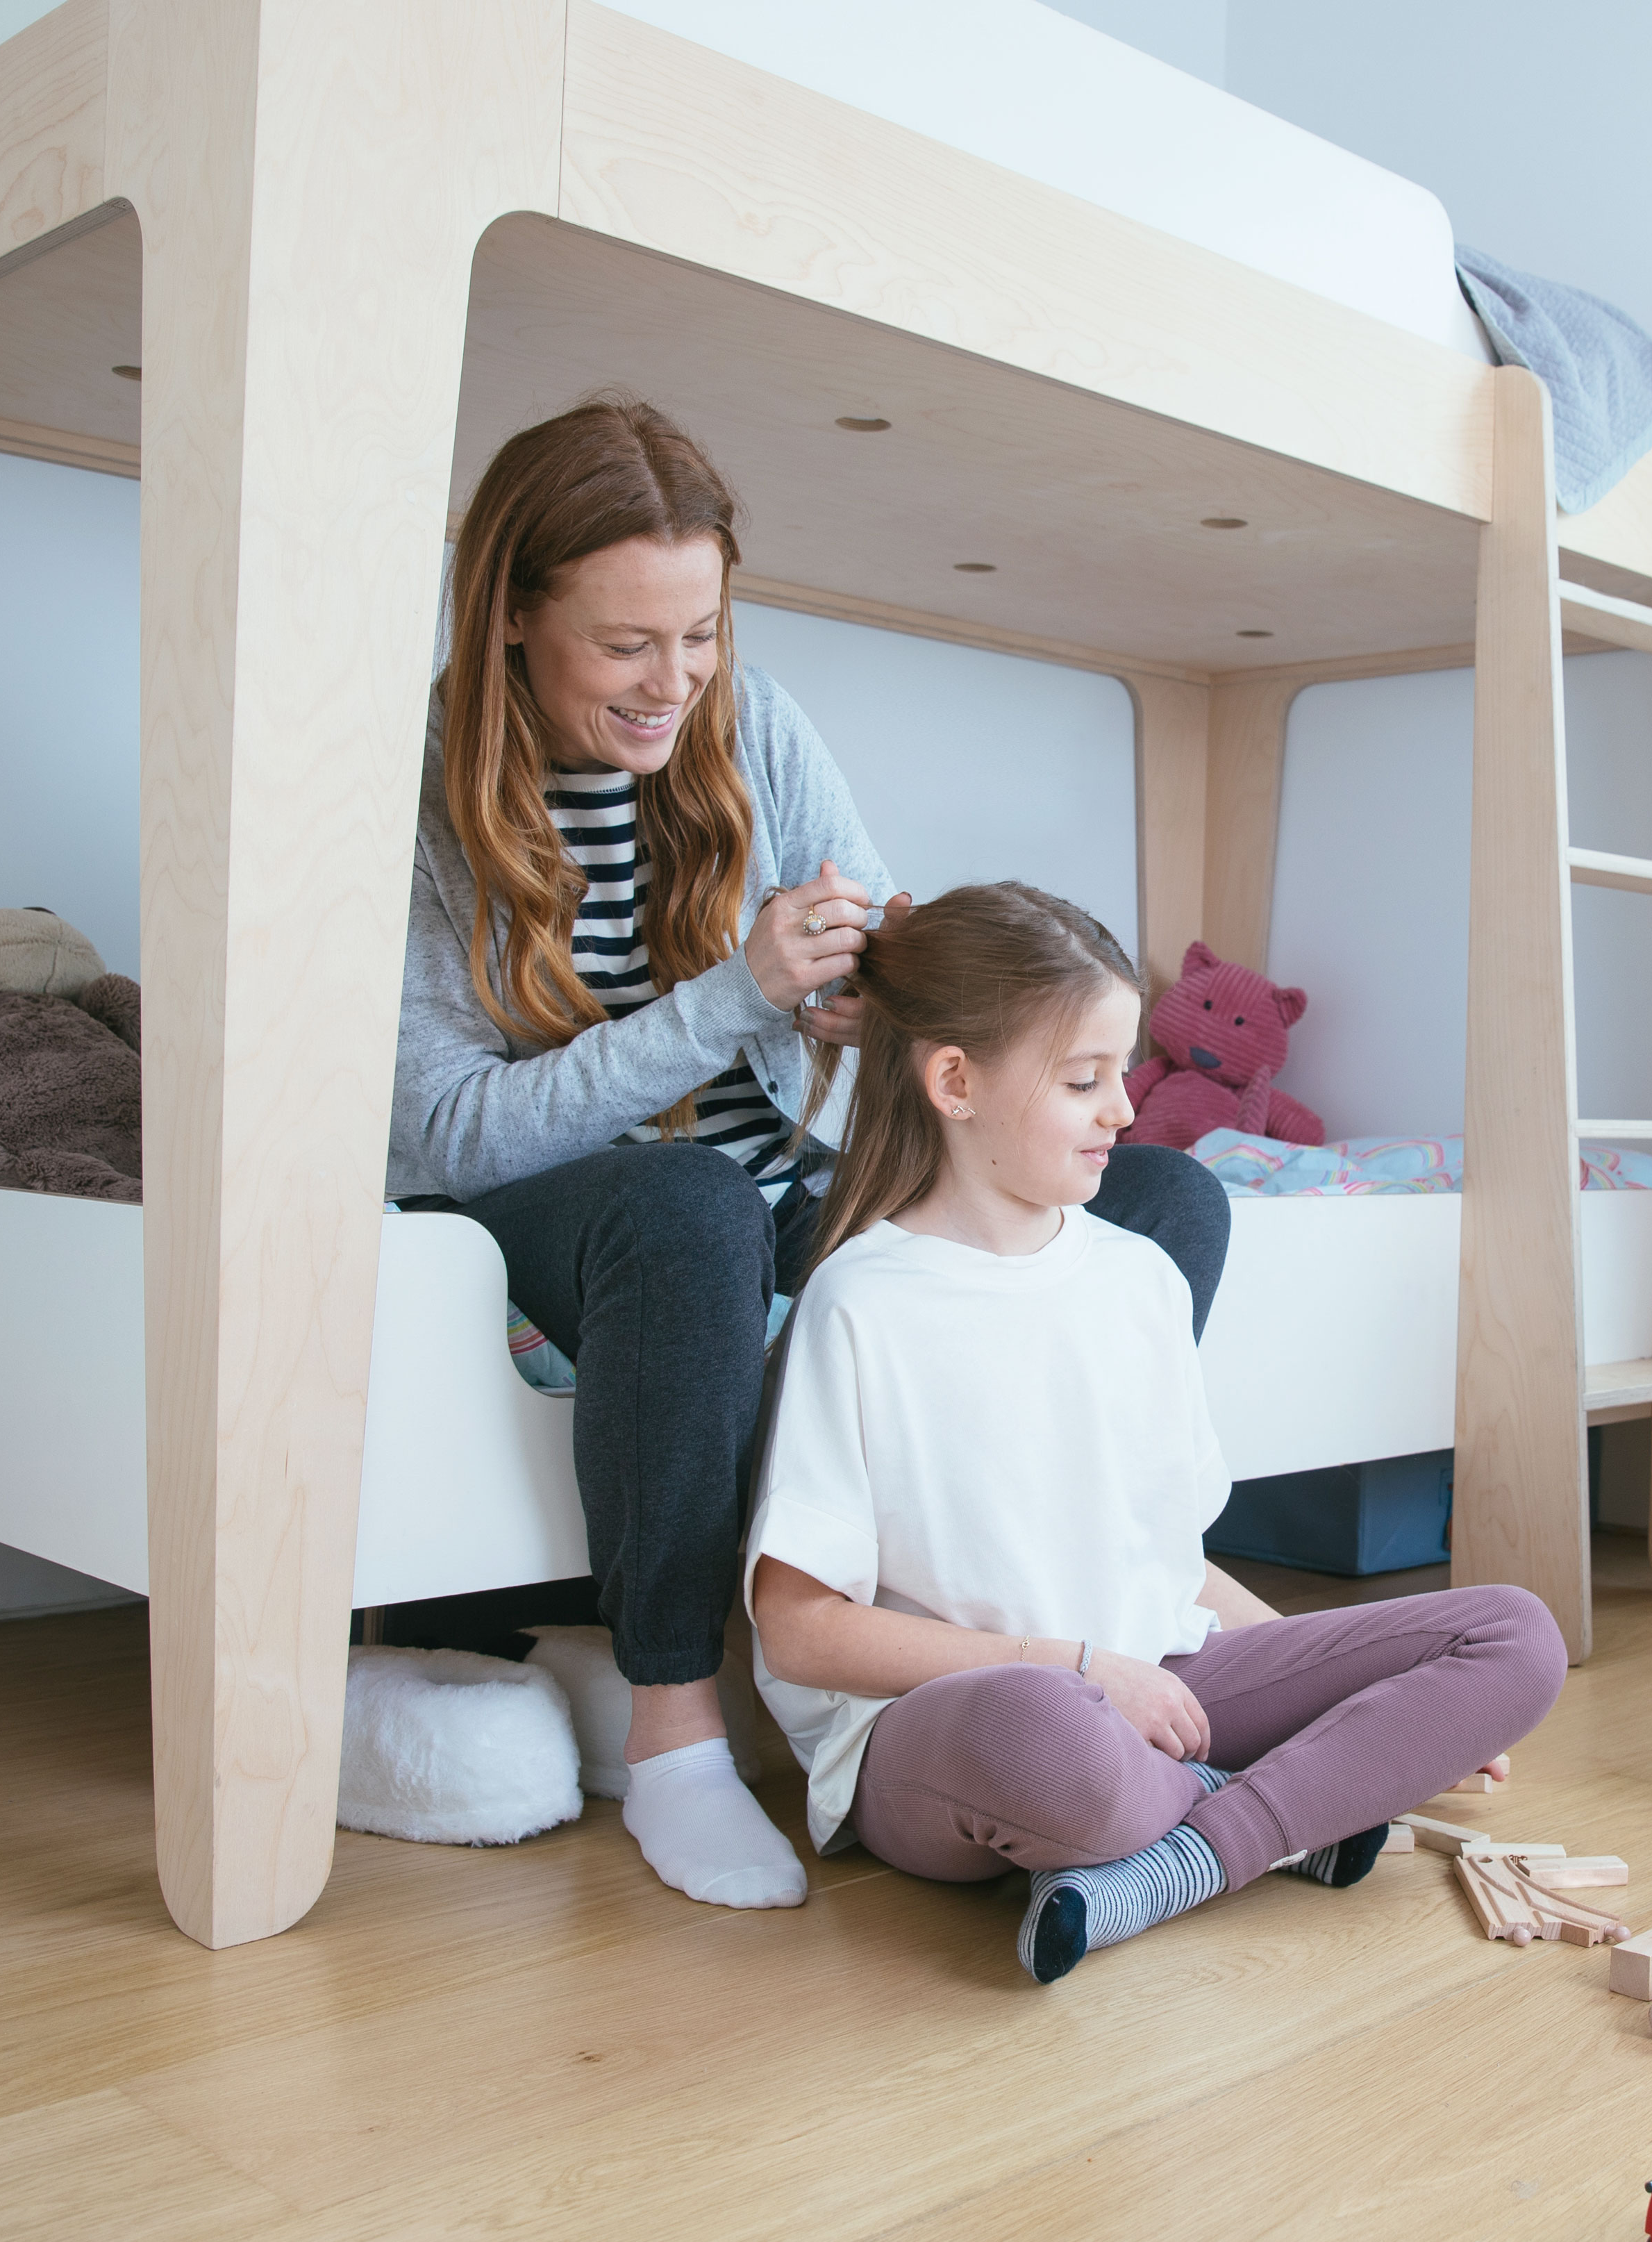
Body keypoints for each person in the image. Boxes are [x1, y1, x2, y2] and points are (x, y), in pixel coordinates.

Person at [387, 403, 1230, 1910]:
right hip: (548, 1209)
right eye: (625, 644)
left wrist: (872, 997)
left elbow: (884, 958)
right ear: (515, 616)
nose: (673, 683)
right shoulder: (424, 788)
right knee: (688, 1206)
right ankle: (673, 1735)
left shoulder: (754, 725)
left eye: (698, 634)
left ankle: (1097, 1619)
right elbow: (442, 1133)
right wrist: (731, 1001)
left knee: (1157, 1196)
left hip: (761, 1184)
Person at [742, 882, 1562, 1981]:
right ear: (954, 1082)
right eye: (1085, 1082)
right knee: (1046, 1733)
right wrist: (1081, 1667)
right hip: (963, 1730)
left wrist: (1364, 1692)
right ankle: (1285, 1816)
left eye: (1120, 1076)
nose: (1125, 1113)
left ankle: (1178, 1858)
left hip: (1160, 1682)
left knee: (1515, 1636)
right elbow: (800, 1631)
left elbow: (1174, 1566)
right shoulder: (865, 1301)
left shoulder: (1138, 1280)